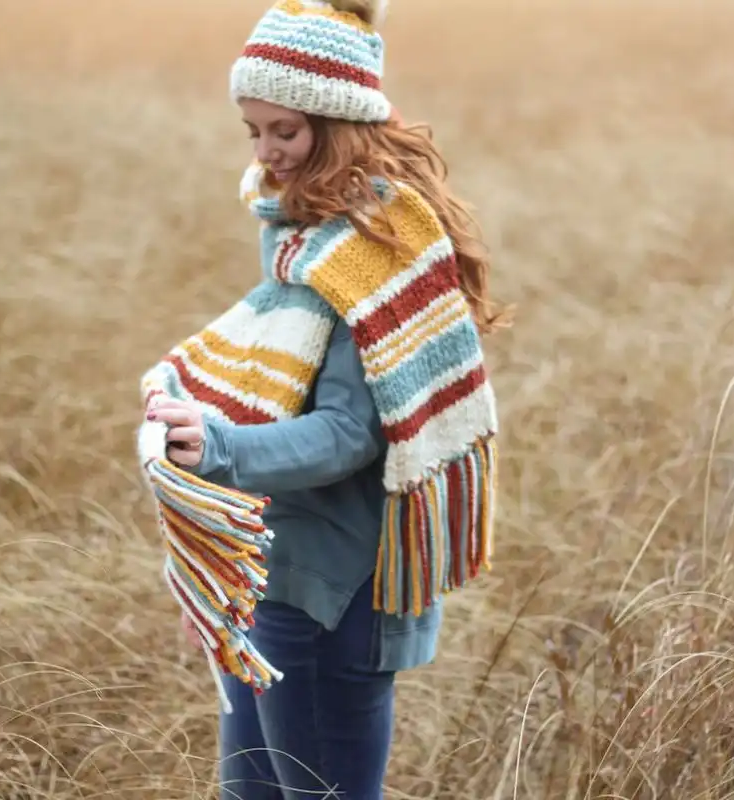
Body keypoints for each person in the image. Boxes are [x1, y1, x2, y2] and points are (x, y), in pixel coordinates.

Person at [137, 0, 509, 797]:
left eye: (287, 131)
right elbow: (269, 364)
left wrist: (221, 444)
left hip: (333, 590)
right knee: (250, 792)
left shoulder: (374, 250)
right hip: (270, 565)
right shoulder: (302, 233)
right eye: (254, 130)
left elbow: (349, 432)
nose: (268, 153)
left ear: (337, 126)